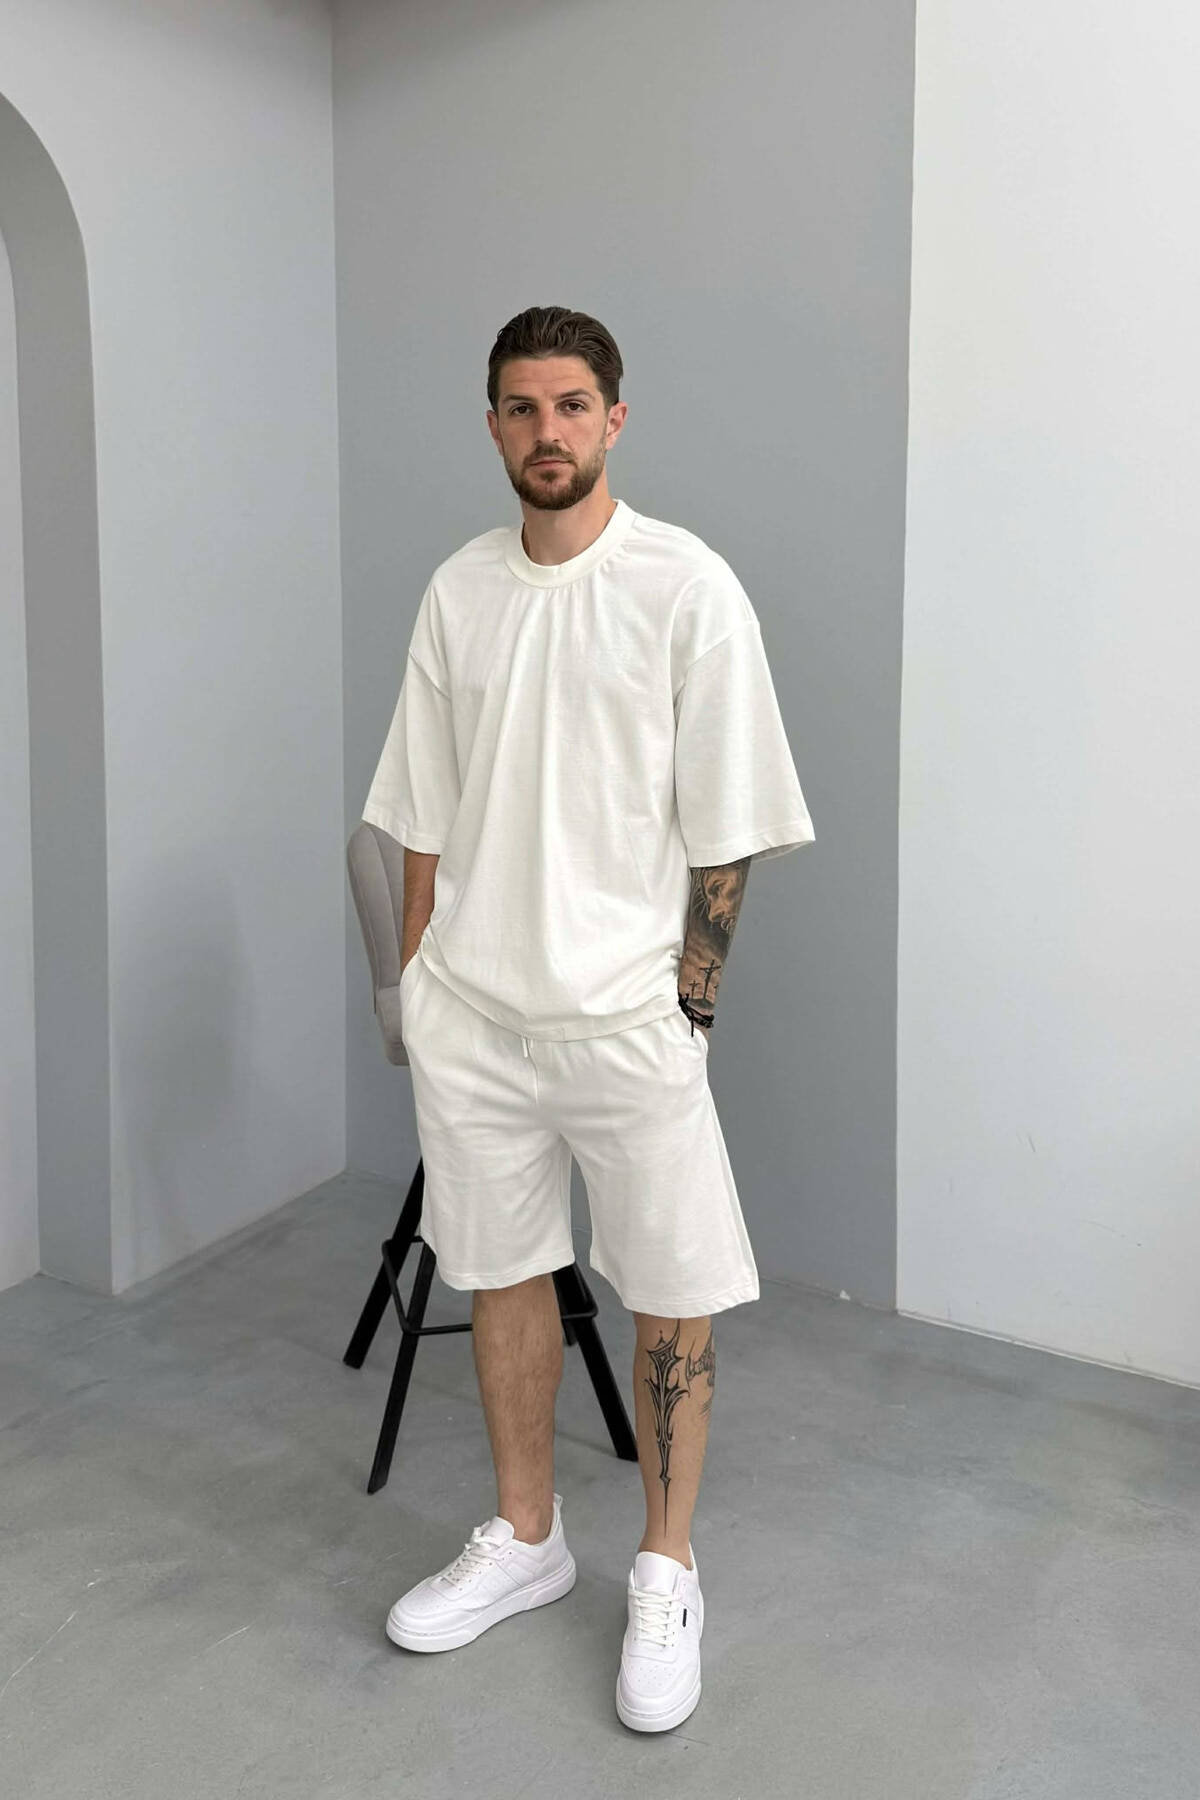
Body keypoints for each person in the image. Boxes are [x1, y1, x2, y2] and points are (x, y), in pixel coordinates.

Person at [360, 305, 815, 1733]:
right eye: (520, 407)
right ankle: (528, 1537)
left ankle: (665, 1567)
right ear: (493, 425)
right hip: (475, 1017)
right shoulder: (459, 591)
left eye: (570, 405)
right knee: (502, 1272)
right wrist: (419, 983)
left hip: (626, 1018)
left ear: (615, 418)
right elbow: (420, 806)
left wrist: (691, 1005)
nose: (545, 430)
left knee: (670, 1291)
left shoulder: (687, 587)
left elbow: (729, 821)